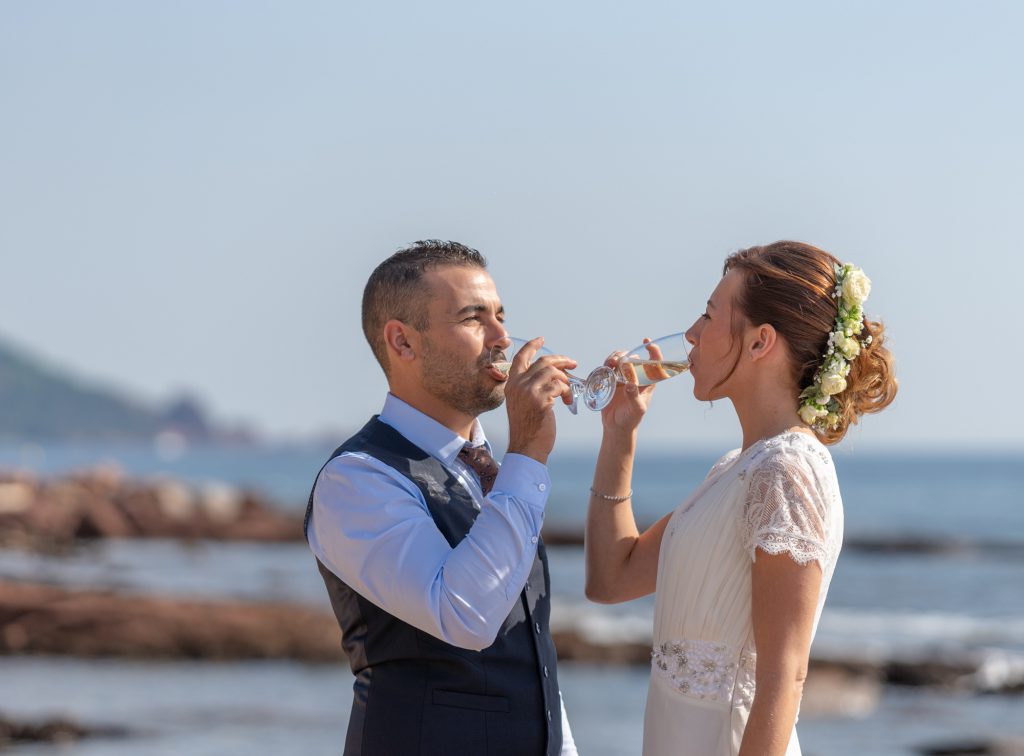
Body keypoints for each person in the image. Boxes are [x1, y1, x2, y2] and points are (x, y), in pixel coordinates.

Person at [584, 241, 897, 756]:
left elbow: (784, 677)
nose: (690, 335)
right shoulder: (736, 469)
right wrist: (619, 435)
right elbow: (610, 578)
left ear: (759, 342)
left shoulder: (786, 472)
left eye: (709, 316)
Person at [304, 240, 580, 756]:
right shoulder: (357, 478)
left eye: (501, 315)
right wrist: (526, 456)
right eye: (474, 319)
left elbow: (531, 654)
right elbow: (465, 616)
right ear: (403, 342)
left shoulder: (493, 472)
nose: (503, 338)